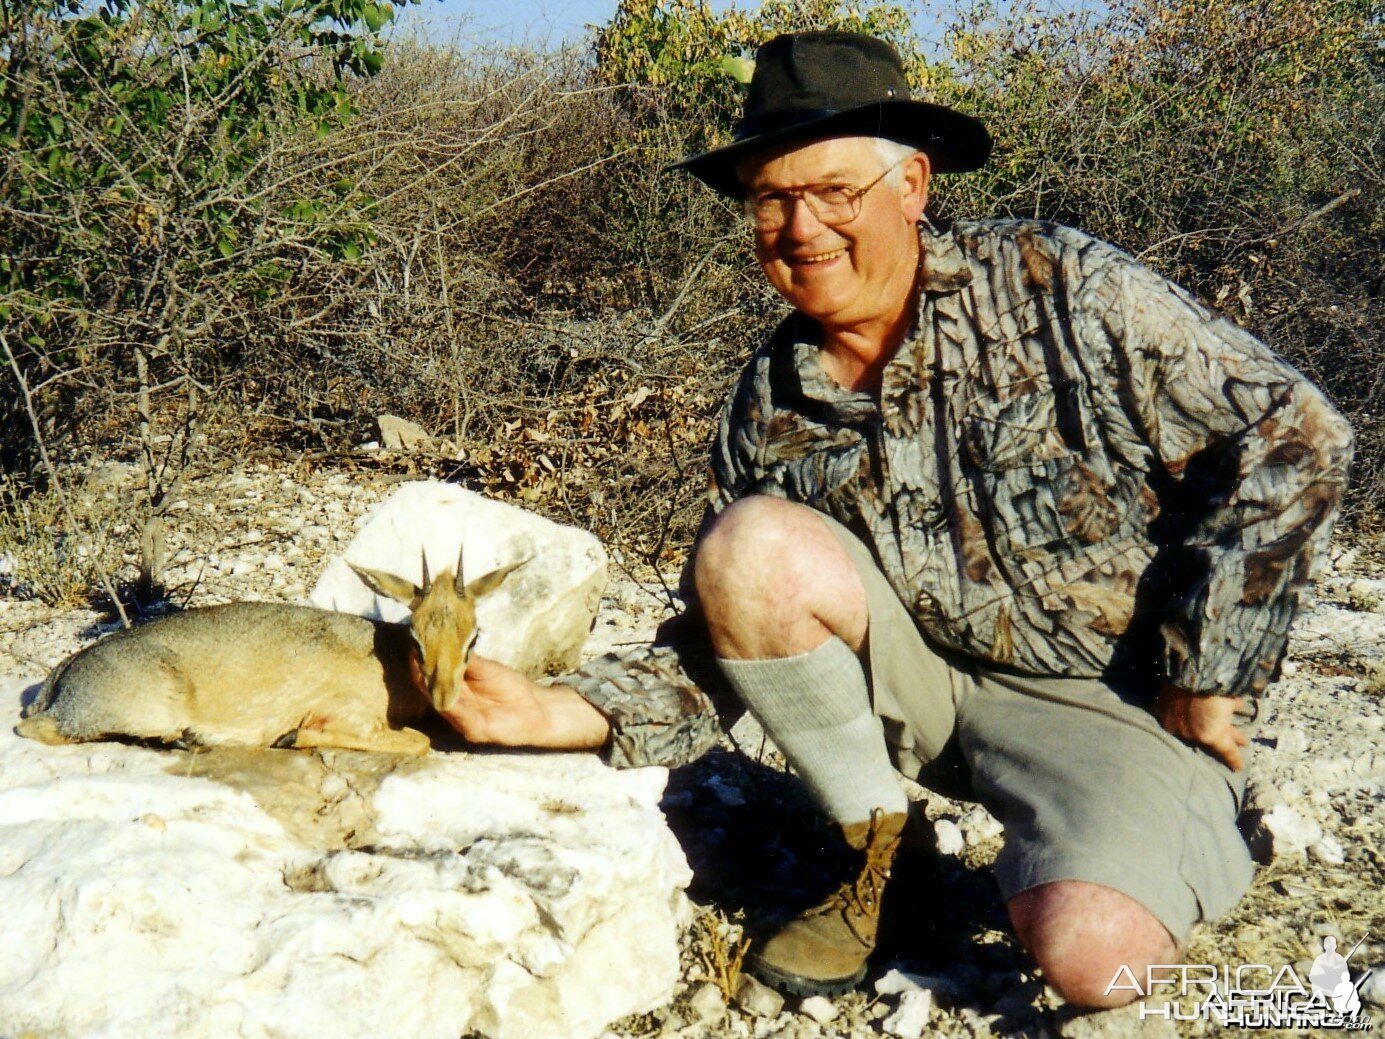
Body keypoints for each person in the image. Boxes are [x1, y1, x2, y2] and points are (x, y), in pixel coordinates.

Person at [435, 31, 1354, 1008]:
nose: (800, 228)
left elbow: (1294, 429)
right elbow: (726, 635)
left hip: (1108, 698)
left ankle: (1180, 832)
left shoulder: (1054, 283)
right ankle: (877, 856)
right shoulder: (769, 396)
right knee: (747, 544)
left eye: (833, 191)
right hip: (917, 695)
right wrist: (565, 711)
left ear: (911, 185)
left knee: (1094, 959)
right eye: (770, 199)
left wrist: (1209, 668)